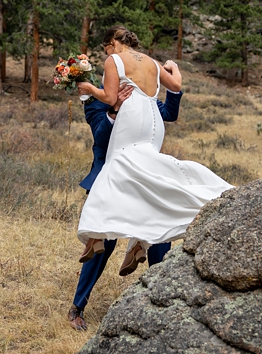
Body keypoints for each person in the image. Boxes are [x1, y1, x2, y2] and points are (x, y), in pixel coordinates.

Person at [76, 26, 233, 277]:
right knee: (145, 172)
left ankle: (96, 236)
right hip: (153, 122)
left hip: (131, 117)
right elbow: (176, 85)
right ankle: (138, 244)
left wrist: (89, 90)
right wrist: (175, 68)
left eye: (106, 48)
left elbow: (109, 97)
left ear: (113, 44)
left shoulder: (113, 60)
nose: (106, 52)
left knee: (114, 171)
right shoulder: (151, 61)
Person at [67, 64, 183, 332]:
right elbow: (100, 137)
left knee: (159, 239)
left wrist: (174, 88)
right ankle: (77, 308)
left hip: (143, 178)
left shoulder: (141, 97)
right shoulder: (97, 102)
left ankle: (163, 306)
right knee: (101, 246)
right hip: (110, 180)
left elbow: (168, 113)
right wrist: (114, 108)